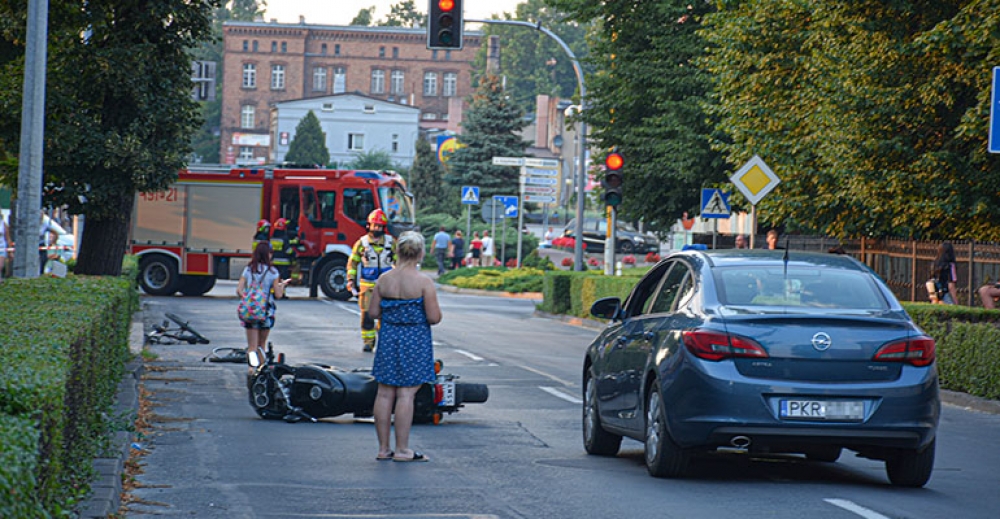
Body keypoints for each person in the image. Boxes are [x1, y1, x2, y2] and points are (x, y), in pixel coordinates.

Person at [367, 231, 442, 462]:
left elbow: (373, 312)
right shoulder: (423, 282)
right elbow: (433, 317)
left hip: (389, 338)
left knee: (384, 392)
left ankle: (383, 448)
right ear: (420, 254)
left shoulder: (384, 280)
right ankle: (402, 449)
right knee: (406, 394)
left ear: (397, 251)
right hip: (414, 340)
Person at [237, 241, 291, 373]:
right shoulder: (273, 272)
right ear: (268, 254)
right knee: (262, 344)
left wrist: (250, 300)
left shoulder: (248, 269)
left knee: (252, 346)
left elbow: (239, 290)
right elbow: (278, 295)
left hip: (250, 312)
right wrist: (282, 285)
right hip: (266, 312)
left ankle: (251, 370)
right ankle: (261, 371)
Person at [347, 209, 396, 352]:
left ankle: (384, 342)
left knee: (385, 315)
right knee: (367, 315)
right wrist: (350, 279)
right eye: (374, 226)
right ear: (369, 226)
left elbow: (399, 262)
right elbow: (353, 262)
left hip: (387, 286)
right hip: (367, 287)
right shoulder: (361, 243)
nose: (377, 229)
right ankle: (368, 341)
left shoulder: (391, 242)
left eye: (379, 226)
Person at [270, 218, 295, 292]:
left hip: (274, 261)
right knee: (283, 279)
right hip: (283, 262)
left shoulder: (272, 237)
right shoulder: (284, 238)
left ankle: (273, 291)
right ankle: (281, 293)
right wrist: (294, 254)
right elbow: (288, 250)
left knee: (274, 278)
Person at [0, 211, 10, 281]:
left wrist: (10, 251)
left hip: (2, 247)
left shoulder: (3, 224)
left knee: (0, 266)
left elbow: (8, 238)